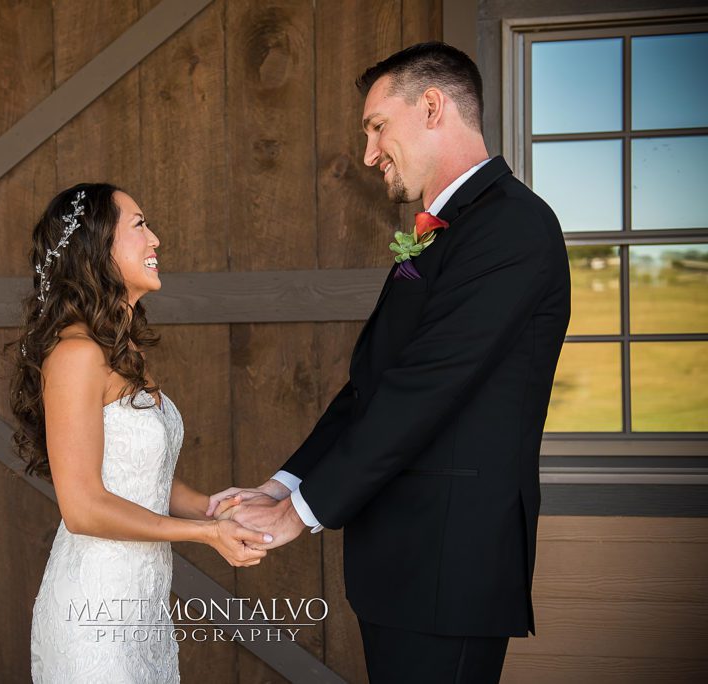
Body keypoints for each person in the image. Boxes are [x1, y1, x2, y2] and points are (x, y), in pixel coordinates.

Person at [208, 42, 570, 683]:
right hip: (403, 565)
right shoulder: (445, 230)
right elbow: (372, 387)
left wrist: (301, 514)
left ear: (432, 107)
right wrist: (285, 484)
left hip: (449, 567)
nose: (369, 152)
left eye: (377, 127)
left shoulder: (514, 228)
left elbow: (426, 388)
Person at [11, 183, 271, 683]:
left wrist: (214, 506)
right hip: (92, 614)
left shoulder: (124, 352)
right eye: (139, 225)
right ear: (96, 248)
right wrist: (204, 533)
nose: (155, 239)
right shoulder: (76, 355)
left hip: (143, 611)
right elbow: (83, 507)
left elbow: (139, 476)